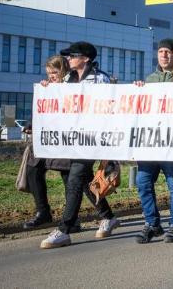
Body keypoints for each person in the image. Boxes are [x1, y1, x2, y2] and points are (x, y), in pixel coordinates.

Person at [40, 41, 120, 249]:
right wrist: (48, 90)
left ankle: (64, 230)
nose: (68, 59)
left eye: (72, 55)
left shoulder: (100, 80)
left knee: (75, 178)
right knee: (84, 180)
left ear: (85, 58)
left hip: (93, 139)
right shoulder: (67, 80)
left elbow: (111, 110)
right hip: (75, 138)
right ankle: (108, 216)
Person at [131, 39, 173, 243]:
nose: (164, 55)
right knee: (143, 183)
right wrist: (139, 90)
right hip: (151, 142)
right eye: (161, 51)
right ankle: (152, 223)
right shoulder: (150, 79)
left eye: (168, 51)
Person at [24, 55, 89, 231]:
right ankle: (43, 212)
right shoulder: (48, 88)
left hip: (66, 140)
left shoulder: (73, 86)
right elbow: (42, 109)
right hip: (48, 139)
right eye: (49, 73)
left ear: (64, 70)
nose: (51, 76)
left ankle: (72, 219)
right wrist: (32, 124)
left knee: (68, 178)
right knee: (33, 169)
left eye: (54, 72)